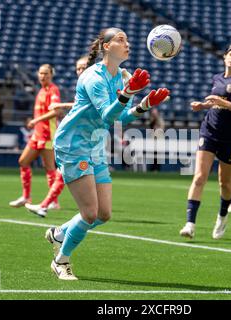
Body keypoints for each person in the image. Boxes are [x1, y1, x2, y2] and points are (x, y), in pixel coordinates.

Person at [43, 28, 170, 280]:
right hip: (73, 144)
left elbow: (120, 116)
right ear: (106, 46)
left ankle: (59, 233)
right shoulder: (93, 77)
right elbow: (106, 115)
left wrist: (144, 105)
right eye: (120, 39)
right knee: (89, 213)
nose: (128, 43)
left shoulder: (118, 78)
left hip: (95, 145)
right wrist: (128, 94)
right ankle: (61, 260)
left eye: (127, 39)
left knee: (103, 214)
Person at [179, 44, 231, 240]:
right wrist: (203, 105)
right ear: (224, 58)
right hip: (209, 131)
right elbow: (216, 102)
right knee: (199, 177)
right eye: (230, 54)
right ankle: (190, 224)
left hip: (230, 138)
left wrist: (224, 103)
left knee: (225, 183)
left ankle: (222, 217)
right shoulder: (217, 78)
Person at [25, 56, 89, 217]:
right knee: (63, 172)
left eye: (83, 67)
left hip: (87, 136)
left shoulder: (92, 85)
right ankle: (46, 205)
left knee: (64, 171)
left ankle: (48, 204)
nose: (80, 71)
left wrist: (61, 105)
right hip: (80, 134)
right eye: (78, 68)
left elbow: (86, 106)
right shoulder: (83, 84)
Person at [8, 64, 62, 209]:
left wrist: (36, 120)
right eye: (41, 73)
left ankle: (53, 202)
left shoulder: (53, 90)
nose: (43, 76)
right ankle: (26, 197)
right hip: (37, 135)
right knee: (23, 161)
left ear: (51, 75)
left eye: (46, 73)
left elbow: (57, 111)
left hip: (48, 135)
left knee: (49, 168)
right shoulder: (40, 91)